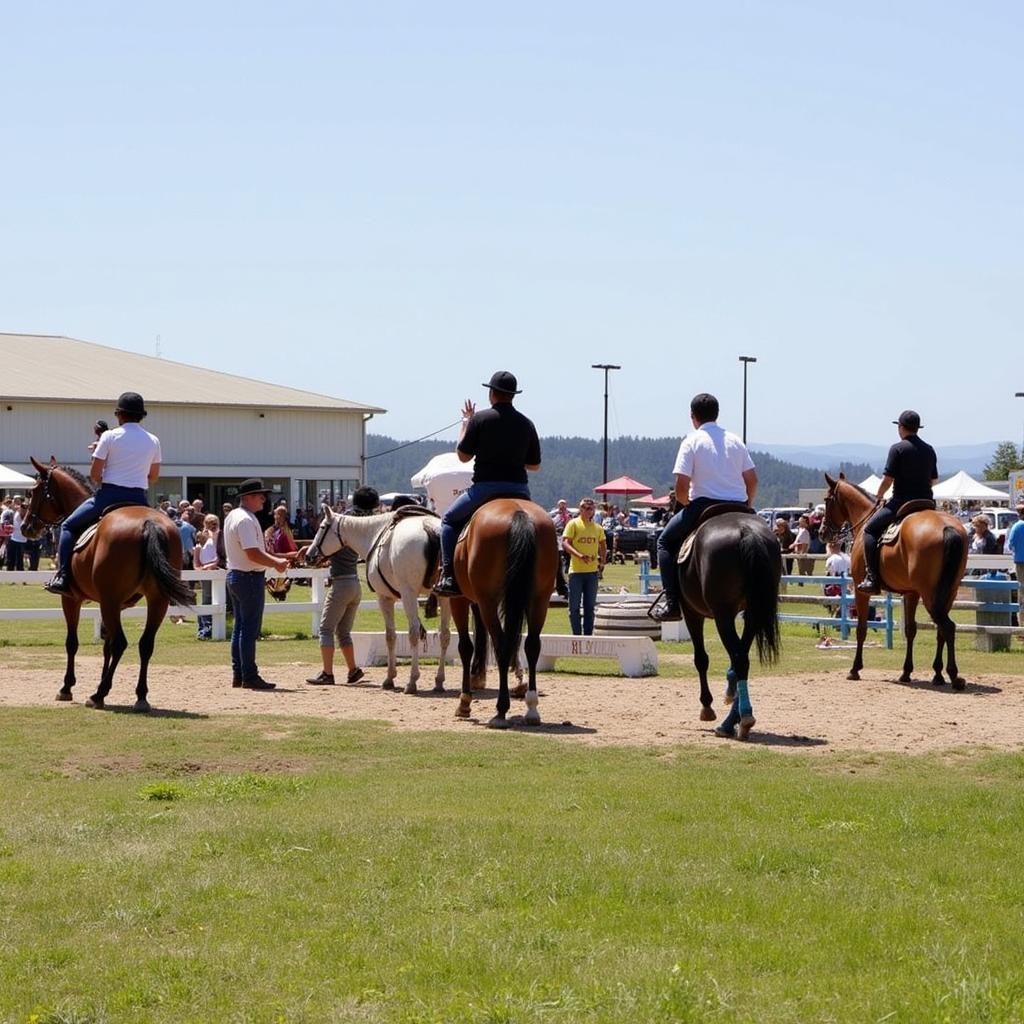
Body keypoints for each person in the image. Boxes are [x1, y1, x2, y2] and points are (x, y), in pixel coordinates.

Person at [434, 370, 541, 597]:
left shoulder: (480, 419)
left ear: (492, 393)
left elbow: (463, 456)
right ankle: (558, 580)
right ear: (513, 395)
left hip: (485, 488)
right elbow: (534, 466)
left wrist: (465, 423)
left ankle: (449, 576)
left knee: (449, 521)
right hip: (519, 490)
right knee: (541, 527)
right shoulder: (526, 423)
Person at [652, 393, 757, 622]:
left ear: (693, 417)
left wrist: (687, 503)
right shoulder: (736, 440)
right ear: (717, 414)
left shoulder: (691, 440)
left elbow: (681, 485)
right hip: (739, 505)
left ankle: (672, 604)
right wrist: (748, 504)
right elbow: (752, 480)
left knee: (663, 542)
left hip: (703, 505)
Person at [45, 392, 162, 595]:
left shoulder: (109, 436)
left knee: (68, 526)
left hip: (109, 496)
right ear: (142, 415)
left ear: (119, 415)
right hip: (139, 499)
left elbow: (95, 474)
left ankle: (63, 576)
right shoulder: (153, 440)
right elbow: (153, 477)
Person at [223, 478, 294, 690]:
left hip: (237, 575)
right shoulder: (245, 520)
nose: (263, 499)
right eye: (259, 495)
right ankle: (249, 675)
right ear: (248, 498)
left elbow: (255, 551)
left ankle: (240, 673)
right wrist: (276, 563)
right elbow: (252, 553)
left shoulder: (235, 517)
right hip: (248, 578)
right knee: (249, 630)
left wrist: (282, 557)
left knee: (240, 628)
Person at [305, 485, 379, 685]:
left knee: (325, 629)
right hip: (355, 583)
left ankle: (327, 673)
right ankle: (353, 670)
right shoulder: (362, 527)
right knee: (343, 632)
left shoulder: (342, 526)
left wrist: (311, 554)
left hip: (340, 584)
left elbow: (327, 549)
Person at [858, 411, 938, 594]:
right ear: (918, 428)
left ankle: (872, 578)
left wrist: (878, 497)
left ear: (901, 427)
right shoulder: (929, 449)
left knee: (869, 530)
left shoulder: (897, 449)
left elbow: (887, 480)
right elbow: (933, 481)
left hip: (902, 501)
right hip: (926, 502)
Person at [561, 497, 606, 635]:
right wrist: (579, 555)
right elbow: (565, 543)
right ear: (580, 509)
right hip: (576, 572)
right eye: (585, 508)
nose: (588, 511)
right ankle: (576, 635)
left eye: (591, 509)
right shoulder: (573, 524)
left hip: (592, 573)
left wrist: (602, 561)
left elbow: (603, 544)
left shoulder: (597, 528)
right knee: (574, 606)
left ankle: (587, 635)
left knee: (589, 607)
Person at [193, 513, 222, 640]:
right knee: (206, 599)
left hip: (218, 570)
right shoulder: (201, 537)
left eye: (215, 522)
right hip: (205, 572)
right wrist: (200, 568)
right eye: (210, 522)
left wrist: (213, 564)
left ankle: (218, 627)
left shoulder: (221, 537)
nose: (213, 525)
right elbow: (196, 558)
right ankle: (204, 628)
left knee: (220, 600)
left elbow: (220, 555)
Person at [1004, 502, 1024, 630]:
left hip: (1020, 562)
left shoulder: (1017, 526)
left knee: (1022, 593)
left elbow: (1010, 546)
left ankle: (1022, 627)